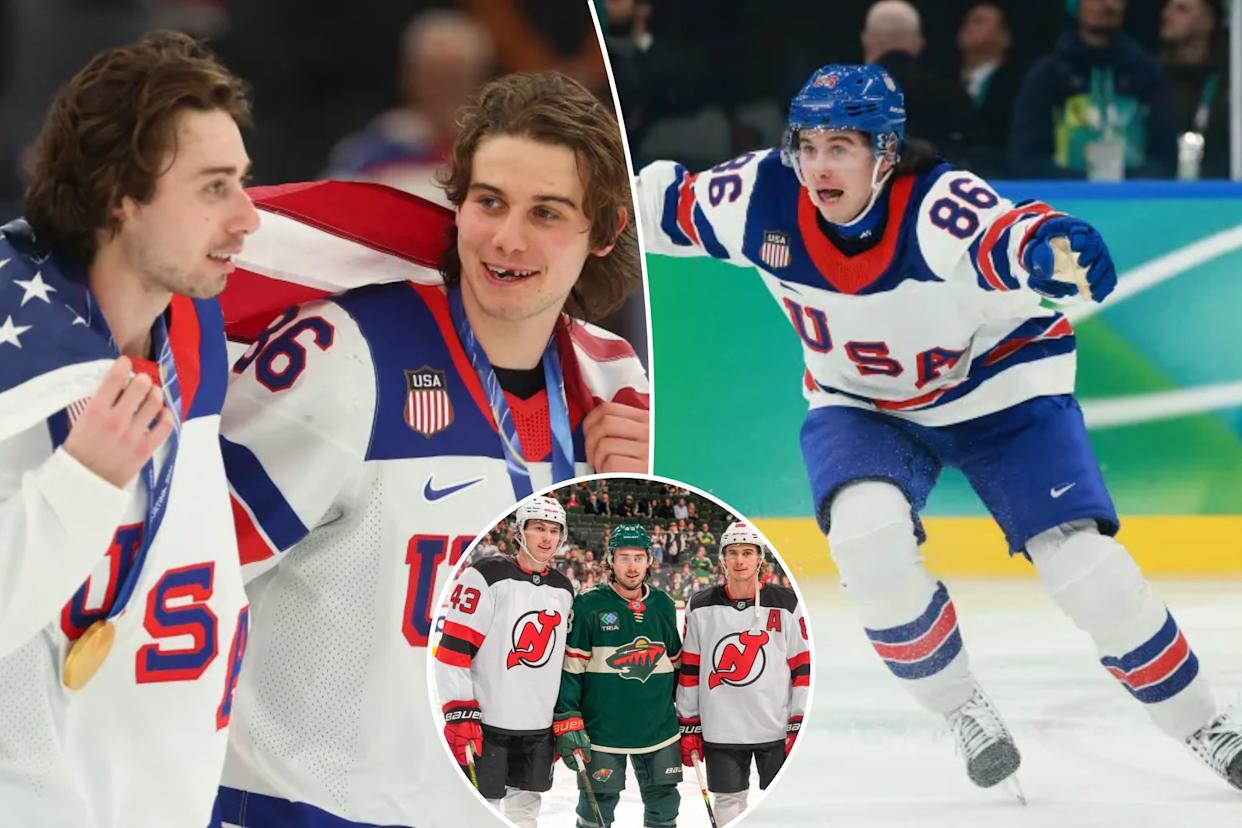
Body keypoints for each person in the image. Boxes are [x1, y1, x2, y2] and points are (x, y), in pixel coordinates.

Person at [637, 62, 1242, 794]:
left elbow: (1007, 236)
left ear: (885, 153)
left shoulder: (936, 205)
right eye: (808, 145)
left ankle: (1203, 724)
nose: (818, 167)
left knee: (1087, 572)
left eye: (841, 147)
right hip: (860, 400)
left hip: (1000, 389)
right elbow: (647, 205)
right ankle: (962, 709)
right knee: (867, 541)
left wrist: (1049, 246)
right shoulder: (758, 195)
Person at [214, 71, 649, 827]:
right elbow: (191, 570)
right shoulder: (346, 358)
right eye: (489, 203)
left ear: (604, 229)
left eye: (546, 212)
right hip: (294, 809)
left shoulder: (609, 387)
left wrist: (628, 506)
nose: (507, 238)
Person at [0, 31, 256, 826]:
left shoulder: (194, 330)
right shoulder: (17, 371)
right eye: (215, 188)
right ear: (122, 195)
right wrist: (79, 482)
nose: (249, 216)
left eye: (244, 182)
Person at [435, 495, 575, 828]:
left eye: (554, 531)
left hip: (538, 726)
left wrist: (561, 716)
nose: (546, 538)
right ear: (519, 531)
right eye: (538, 528)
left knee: (526, 808)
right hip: (487, 724)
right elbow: (453, 650)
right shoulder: (486, 575)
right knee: (484, 810)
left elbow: (564, 659)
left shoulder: (563, 588)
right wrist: (458, 710)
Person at [677, 522, 811, 825]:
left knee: (783, 804)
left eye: (747, 553)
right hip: (721, 729)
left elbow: (802, 666)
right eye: (733, 553)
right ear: (722, 558)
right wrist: (689, 723)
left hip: (775, 729)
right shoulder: (700, 605)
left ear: (759, 558)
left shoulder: (786, 603)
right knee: (728, 803)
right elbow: (690, 670)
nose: (740, 560)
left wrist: (798, 721)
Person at [555, 524, 682, 828]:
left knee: (665, 808)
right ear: (610, 560)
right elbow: (572, 669)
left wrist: (688, 716)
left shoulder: (663, 605)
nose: (632, 566)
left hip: (659, 730)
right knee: (596, 808)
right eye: (624, 557)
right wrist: (568, 715)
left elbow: (677, 666)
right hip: (603, 731)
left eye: (638, 557)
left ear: (650, 560)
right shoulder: (588, 605)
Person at [1009, 0, 1179, 178]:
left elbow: (1165, 155)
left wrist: (1129, 185)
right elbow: (1026, 156)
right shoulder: (1048, 75)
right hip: (1064, 197)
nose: (1106, 5)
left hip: (1135, 197)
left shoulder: (1148, 73)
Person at [1158, 0, 1231, 178]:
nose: (1166, 15)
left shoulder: (1231, 79)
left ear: (1208, 21)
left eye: (1181, 9)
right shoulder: (1152, 74)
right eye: (1168, 7)